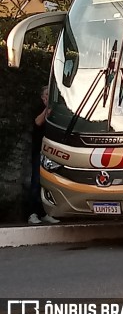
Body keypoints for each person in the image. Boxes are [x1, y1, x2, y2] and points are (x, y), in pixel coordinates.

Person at [28, 86, 60, 225]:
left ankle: (45, 213)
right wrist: (47, 109)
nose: (49, 97)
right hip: (39, 152)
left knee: (48, 183)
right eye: (47, 94)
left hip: (52, 152)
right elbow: (38, 122)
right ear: (43, 97)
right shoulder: (38, 108)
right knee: (36, 182)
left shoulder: (56, 111)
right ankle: (32, 214)